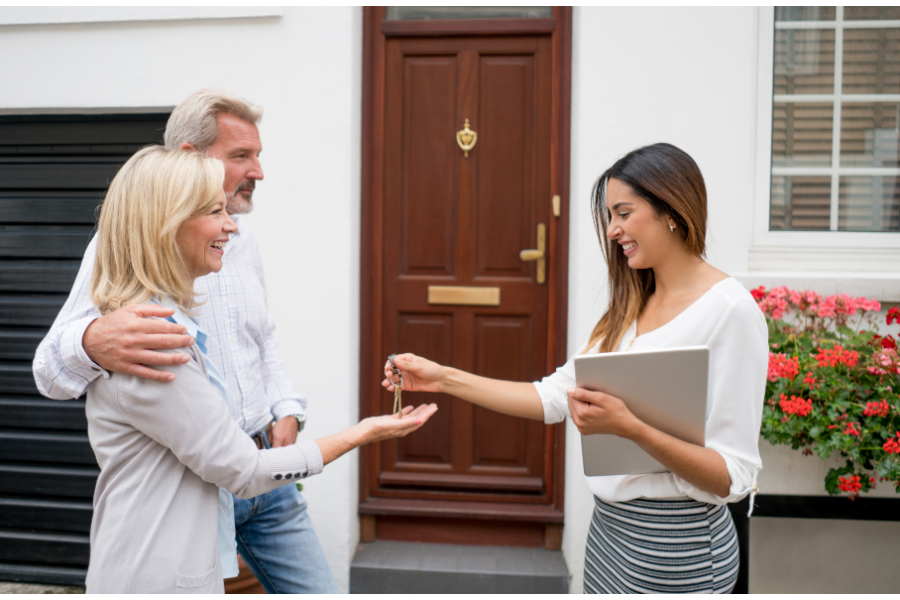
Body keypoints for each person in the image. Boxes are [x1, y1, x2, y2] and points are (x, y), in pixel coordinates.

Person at [382, 143, 768, 594]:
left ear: (672, 210)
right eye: (609, 216)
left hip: (677, 549)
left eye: (623, 213)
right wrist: (443, 378)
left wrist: (631, 428)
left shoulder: (731, 312)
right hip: (608, 536)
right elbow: (551, 397)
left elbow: (733, 476)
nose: (612, 230)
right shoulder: (630, 304)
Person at [84, 146, 437, 594]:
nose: (231, 224)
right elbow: (244, 471)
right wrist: (364, 433)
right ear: (167, 225)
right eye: (215, 212)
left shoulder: (164, 322)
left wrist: (285, 406)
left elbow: (263, 335)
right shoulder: (151, 343)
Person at [33, 89, 342, 593]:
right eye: (241, 156)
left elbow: (264, 338)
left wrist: (287, 407)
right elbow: (48, 370)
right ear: (188, 159)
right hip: (198, 488)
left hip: (270, 475)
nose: (258, 171)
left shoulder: (241, 239)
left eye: (258, 155)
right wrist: (90, 339)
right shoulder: (121, 247)